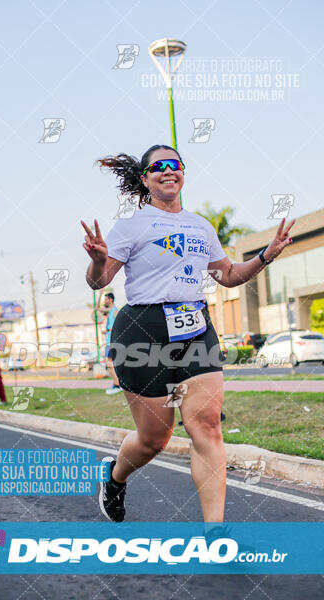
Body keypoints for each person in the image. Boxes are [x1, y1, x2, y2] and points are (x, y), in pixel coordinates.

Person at [81, 144, 295, 543]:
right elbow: (100, 281)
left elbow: (228, 275)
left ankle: (215, 533)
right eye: (157, 166)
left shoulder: (200, 226)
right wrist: (97, 259)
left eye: (174, 165)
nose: (168, 171)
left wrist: (266, 255)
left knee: (207, 426)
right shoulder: (131, 226)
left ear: (183, 173)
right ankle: (113, 477)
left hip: (195, 326)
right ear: (145, 178)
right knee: (153, 439)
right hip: (142, 330)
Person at [102, 292, 122, 395]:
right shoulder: (109, 311)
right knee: (111, 364)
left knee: (110, 363)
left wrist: (109, 329)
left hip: (113, 341)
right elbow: (97, 309)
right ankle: (117, 384)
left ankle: (117, 385)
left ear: (110, 300)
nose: (104, 301)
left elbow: (119, 326)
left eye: (105, 299)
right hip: (109, 340)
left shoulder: (115, 311)